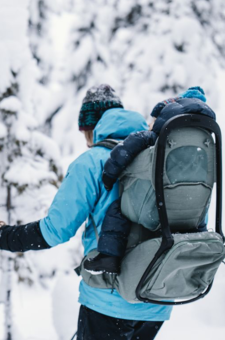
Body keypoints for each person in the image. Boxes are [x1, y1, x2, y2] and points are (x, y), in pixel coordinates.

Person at [0, 85, 170, 340]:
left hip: (111, 300)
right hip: (158, 299)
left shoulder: (94, 162)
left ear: (90, 127)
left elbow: (54, 231)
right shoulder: (159, 152)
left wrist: (1, 236)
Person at [82, 87, 216, 274]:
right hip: (192, 209)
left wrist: (109, 175)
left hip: (158, 209)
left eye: (153, 120)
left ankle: (109, 258)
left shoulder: (154, 136)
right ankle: (199, 248)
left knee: (118, 209)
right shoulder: (203, 141)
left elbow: (125, 150)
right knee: (196, 219)